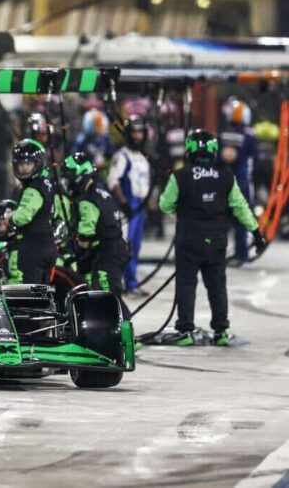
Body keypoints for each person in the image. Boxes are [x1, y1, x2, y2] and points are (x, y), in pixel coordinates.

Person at [159, 130, 266, 346]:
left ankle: (185, 331)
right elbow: (240, 207)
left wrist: (181, 206)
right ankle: (221, 331)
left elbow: (164, 205)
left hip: (189, 239)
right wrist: (256, 232)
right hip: (216, 240)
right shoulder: (226, 175)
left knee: (186, 284)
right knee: (217, 286)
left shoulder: (180, 175)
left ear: (189, 151)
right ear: (214, 151)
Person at [61, 152, 131, 318]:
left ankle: (123, 327)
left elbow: (86, 235)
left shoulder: (87, 199)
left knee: (108, 294)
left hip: (109, 253)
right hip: (115, 248)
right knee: (107, 292)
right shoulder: (100, 191)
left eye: (69, 177)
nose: (67, 182)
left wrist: (77, 254)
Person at [107, 114, 151, 297]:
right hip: (128, 204)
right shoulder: (122, 156)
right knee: (127, 245)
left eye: (141, 132)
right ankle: (123, 282)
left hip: (140, 204)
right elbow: (113, 181)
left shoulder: (143, 156)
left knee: (137, 245)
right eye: (134, 132)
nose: (138, 136)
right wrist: (124, 203)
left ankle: (131, 282)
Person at [6, 140, 56, 284]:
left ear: (37, 163)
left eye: (28, 164)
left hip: (34, 248)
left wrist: (10, 217)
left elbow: (22, 218)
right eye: (21, 164)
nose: (23, 168)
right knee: (44, 291)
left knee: (30, 292)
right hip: (48, 245)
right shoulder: (46, 183)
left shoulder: (33, 188)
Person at [219, 99, 259, 266]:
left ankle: (216, 253)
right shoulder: (248, 137)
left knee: (220, 219)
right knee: (241, 219)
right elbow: (256, 158)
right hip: (240, 182)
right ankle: (241, 254)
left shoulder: (221, 135)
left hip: (222, 181)